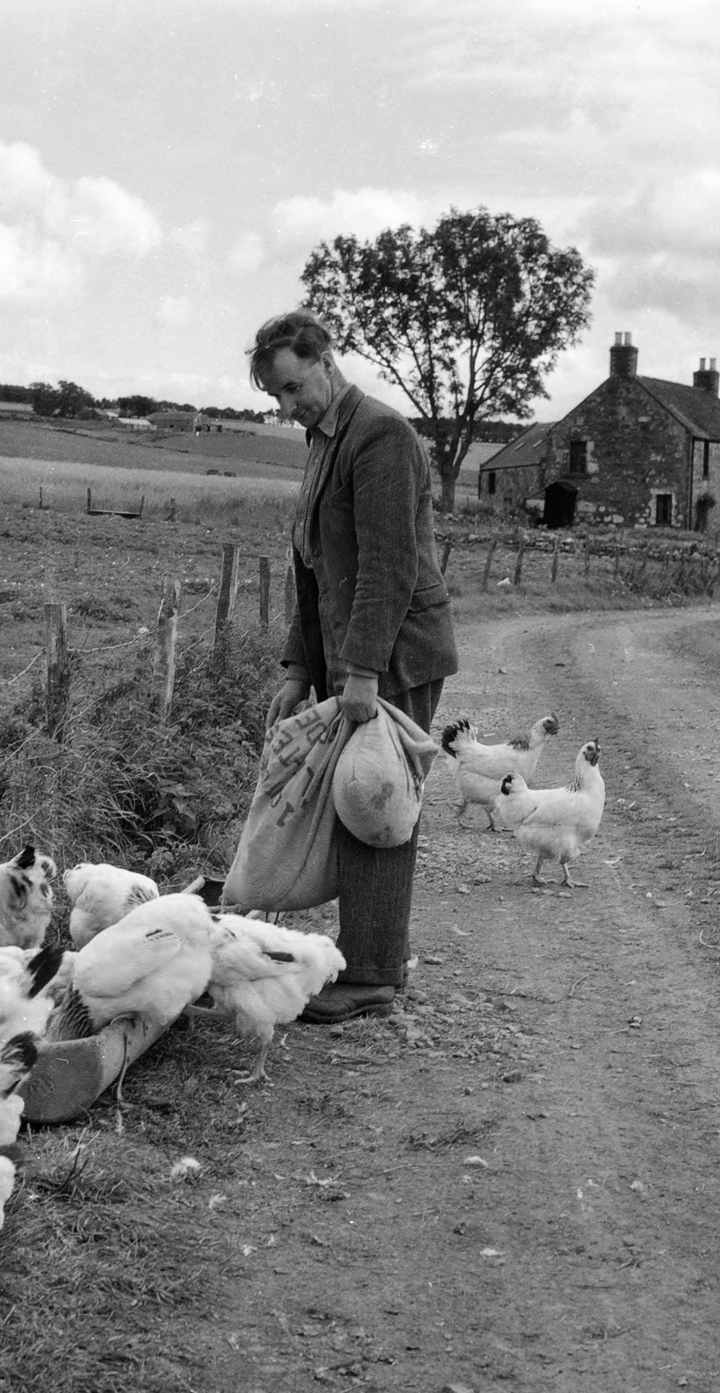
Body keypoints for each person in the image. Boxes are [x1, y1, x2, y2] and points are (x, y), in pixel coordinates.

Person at [248, 308, 459, 1022]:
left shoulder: (380, 436)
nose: (288, 406)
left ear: (326, 361)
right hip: (352, 650)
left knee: (376, 799)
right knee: (358, 799)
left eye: (293, 386)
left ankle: (370, 972)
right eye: (276, 395)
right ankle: (372, 957)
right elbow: (312, 569)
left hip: (396, 649)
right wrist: (297, 668)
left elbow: (388, 566)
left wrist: (365, 670)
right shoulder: (324, 442)